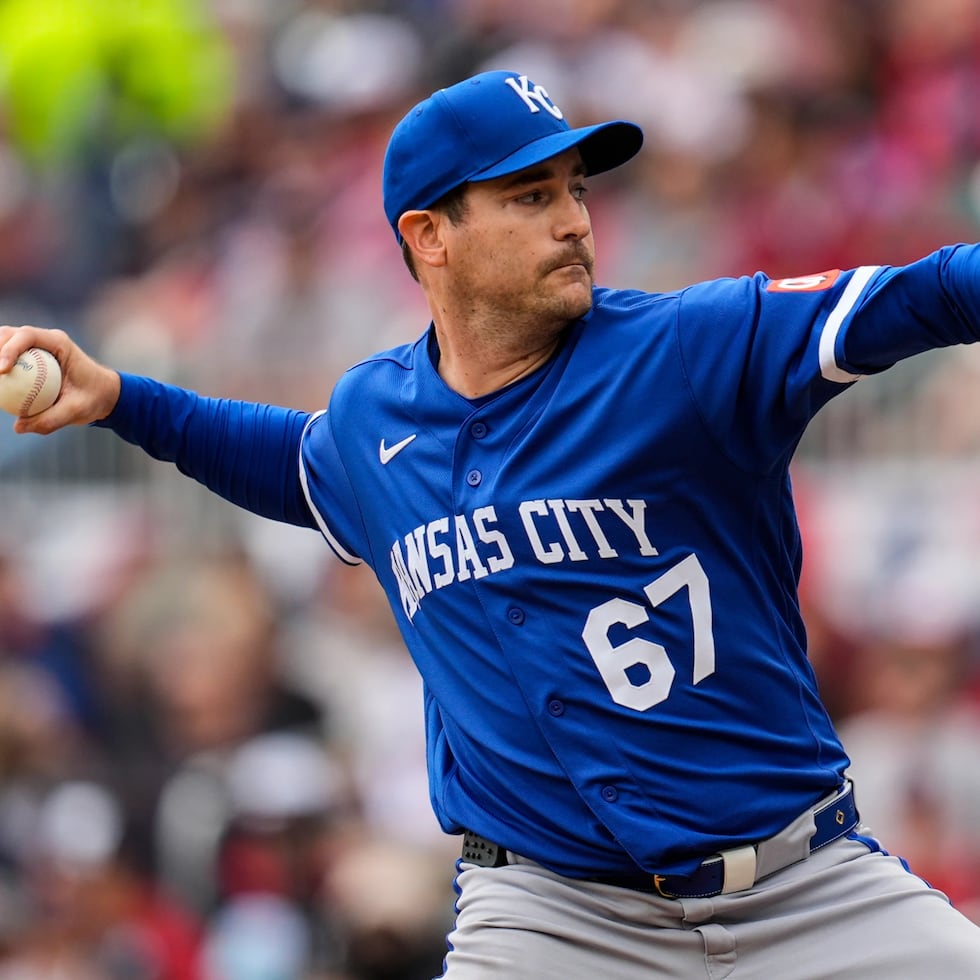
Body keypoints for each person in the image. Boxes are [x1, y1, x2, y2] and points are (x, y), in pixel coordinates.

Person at [2, 69, 980, 978]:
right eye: (529, 197)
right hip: (551, 916)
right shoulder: (373, 422)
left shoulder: (686, 349)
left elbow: (925, 293)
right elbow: (288, 462)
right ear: (429, 234)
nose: (572, 223)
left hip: (802, 890)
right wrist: (120, 398)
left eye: (574, 191)